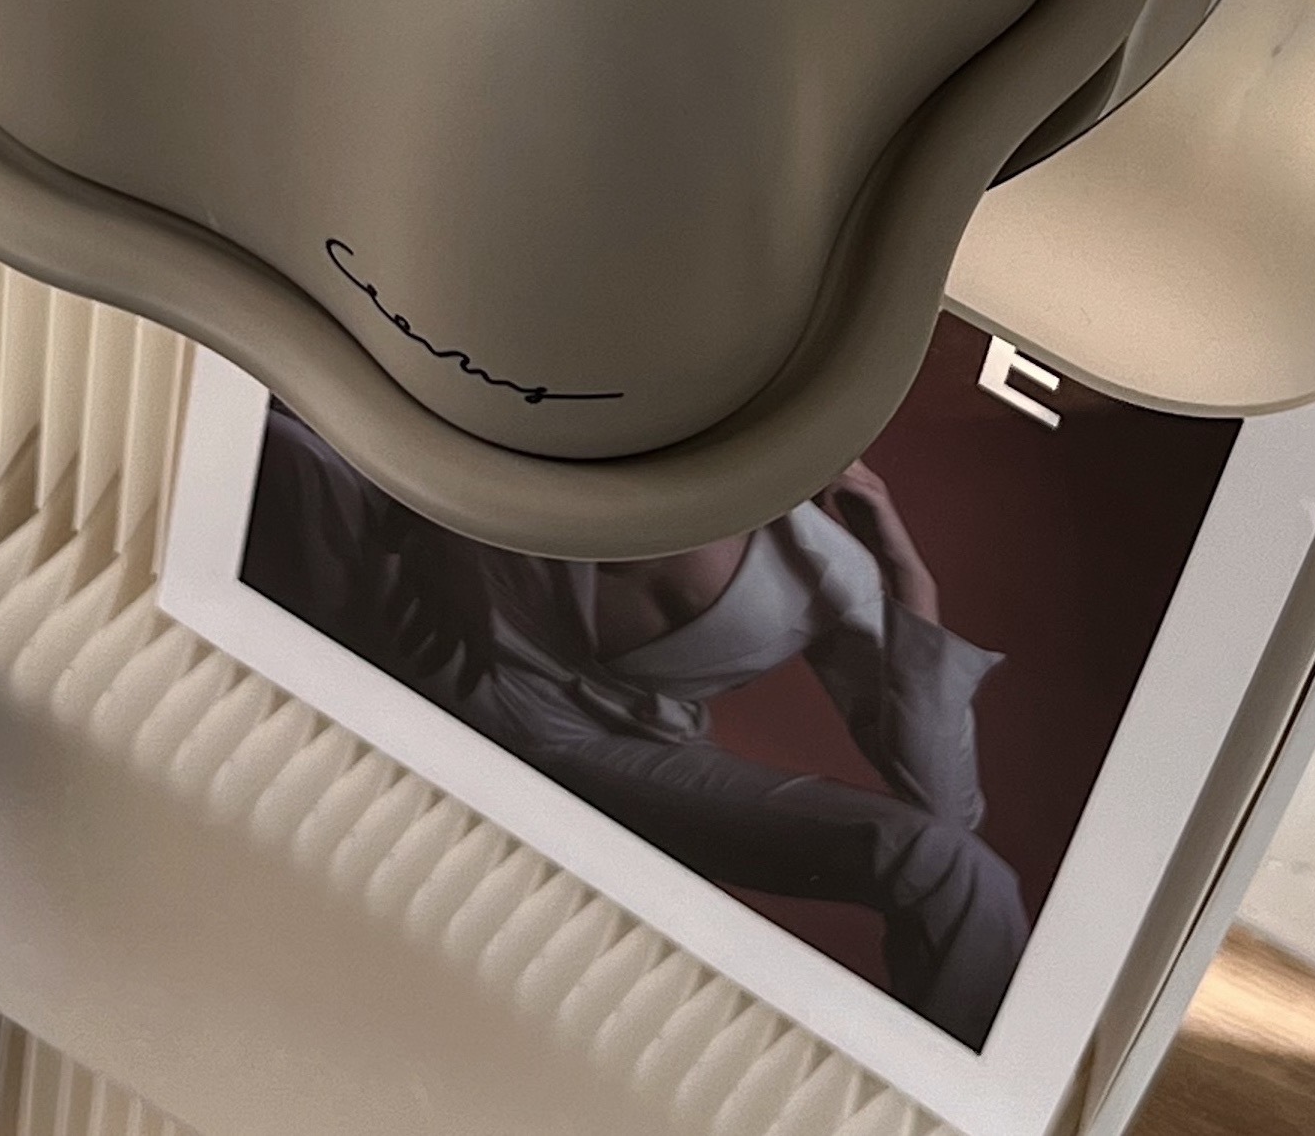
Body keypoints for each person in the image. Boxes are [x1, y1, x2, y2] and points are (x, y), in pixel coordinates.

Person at [244, 410, 1029, 1047]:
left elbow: (946, 808)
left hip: (619, 754)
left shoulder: (827, 571)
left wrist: (906, 573)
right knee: (283, 431)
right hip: (425, 652)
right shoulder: (588, 405)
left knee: (960, 872)